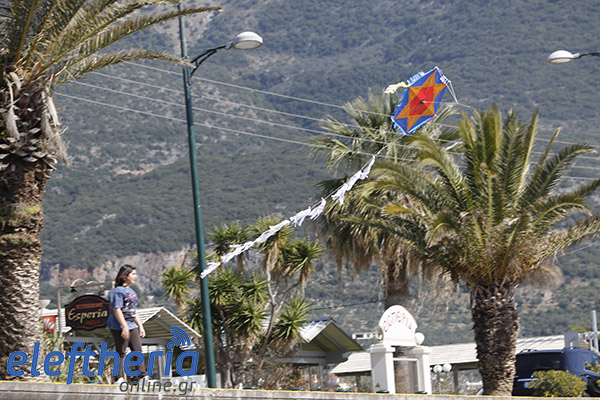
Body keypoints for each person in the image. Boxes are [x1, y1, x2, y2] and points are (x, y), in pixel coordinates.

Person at [107, 264, 146, 383]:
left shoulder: (132, 292)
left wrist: (140, 326)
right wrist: (124, 326)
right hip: (119, 326)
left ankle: (141, 376)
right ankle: (118, 377)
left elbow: (134, 311)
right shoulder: (117, 292)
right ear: (125, 276)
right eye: (133, 274)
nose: (135, 277)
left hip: (132, 325)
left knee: (137, 350)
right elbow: (117, 309)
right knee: (121, 351)